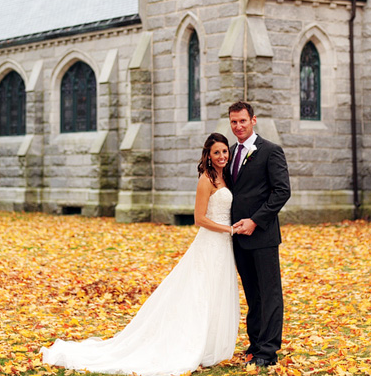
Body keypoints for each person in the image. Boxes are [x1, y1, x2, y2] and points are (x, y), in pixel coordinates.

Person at [41, 133, 239, 376]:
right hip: (210, 242)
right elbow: (199, 219)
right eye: (216, 152)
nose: (221, 156)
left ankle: (211, 345)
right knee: (199, 293)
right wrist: (228, 229)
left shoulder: (226, 177)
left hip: (224, 245)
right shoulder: (206, 179)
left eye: (225, 151)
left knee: (217, 291)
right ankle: (189, 343)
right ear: (208, 155)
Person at [227, 101, 291, 367]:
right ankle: (255, 344)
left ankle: (268, 350)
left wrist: (255, 220)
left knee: (269, 294)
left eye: (242, 121)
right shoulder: (228, 153)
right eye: (233, 122)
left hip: (262, 235)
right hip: (237, 237)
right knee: (252, 295)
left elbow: (282, 191)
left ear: (253, 120)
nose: (238, 126)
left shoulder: (270, 151)